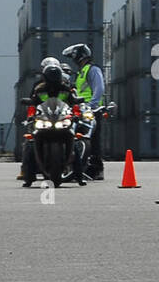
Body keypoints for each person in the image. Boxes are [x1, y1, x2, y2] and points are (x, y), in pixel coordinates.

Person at [21, 59, 84, 186]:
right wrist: (31, 114)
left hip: (60, 119)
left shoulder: (65, 89)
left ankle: (79, 175)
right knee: (29, 144)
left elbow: (72, 101)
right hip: (45, 119)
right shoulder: (39, 89)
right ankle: (28, 176)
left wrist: (75, 112)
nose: (53, 79)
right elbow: (34, 102)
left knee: (75, 143)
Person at [61, 44, 106, 180]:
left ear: (79, 56)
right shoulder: (81, 72)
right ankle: (80, 167)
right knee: (76, 136)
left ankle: (96, 169)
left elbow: (99, 88)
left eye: (73, 57)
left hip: (91, 110)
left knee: (93, 139)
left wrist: (91, 106)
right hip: (80, 109)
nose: (73, 60)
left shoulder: (93, 70)